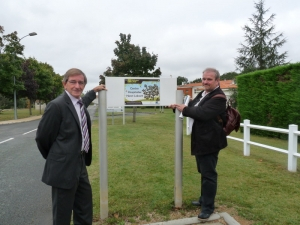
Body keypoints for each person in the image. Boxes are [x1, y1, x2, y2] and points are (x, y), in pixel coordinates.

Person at [35, 68, 107, 225]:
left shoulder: (79, 103)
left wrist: (94, 91)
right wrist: (58, 157)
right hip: (63, 169)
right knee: (62, 215)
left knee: (84, 209)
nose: (77, 86)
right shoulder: (56, 106)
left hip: (80, 164)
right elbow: (42, 138)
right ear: (64, 84)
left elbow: (84, 102)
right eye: (73, 82)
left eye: (81, 83)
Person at [169, 68, 227, 220]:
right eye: (204, 79)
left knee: (209, 174)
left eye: (209, 79)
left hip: (211, 141)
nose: (205, 82)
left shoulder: (219, 97)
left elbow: (202, 113)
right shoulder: (203, 93)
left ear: (217, 81)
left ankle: (208, 207)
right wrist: (177, 108)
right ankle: (203, 199)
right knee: (203, 171)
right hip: (201, 140)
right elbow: (192, 108)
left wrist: (185, 109)